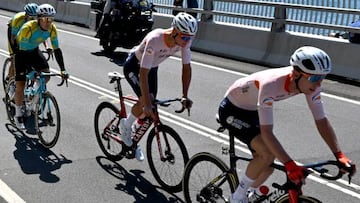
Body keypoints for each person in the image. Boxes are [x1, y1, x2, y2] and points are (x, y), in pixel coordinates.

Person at [217, 46, 356, 203]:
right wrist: (289, 164)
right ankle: (237, 198)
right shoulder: (270, 85)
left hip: (252, 109)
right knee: (267, 154)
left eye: (322, 78)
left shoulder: (309, 85)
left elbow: (321, 120)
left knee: (267, 166)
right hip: (232, 110)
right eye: (315, 79)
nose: (318, 85)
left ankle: (249, 192)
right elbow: (267, 133)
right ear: (296, 74)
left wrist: (339, 155)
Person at [120, 12, 198, 161]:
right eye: (185, 37)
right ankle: (126, 126)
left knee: (152, 104)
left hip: (152, 68)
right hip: (135, 66)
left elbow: (186, 68)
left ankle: (135, 137)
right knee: (146, 100)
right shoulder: (155, 39)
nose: (188, 41)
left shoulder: (183, 41)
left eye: (191, 38)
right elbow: (143, 73)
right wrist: (146, 103)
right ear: (174, 31)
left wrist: (184, 95)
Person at [14, 4, 69, 129]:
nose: (48, 22)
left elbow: (57, 50)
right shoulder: (28, 28)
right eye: (45, 19)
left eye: (51, 19)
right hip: (21, 51)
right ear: (38, 19)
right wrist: (31, 71)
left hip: (33, 50)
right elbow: (23, 53)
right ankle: (18, 115)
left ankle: (32, 95)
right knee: (21, 84)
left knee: (45, 75)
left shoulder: (52, 29)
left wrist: (63, 70)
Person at [6, 3, 38, 88]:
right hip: (14, 32)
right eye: (31, 17)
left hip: (25, 33)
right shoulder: (18, 19)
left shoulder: (37, 22)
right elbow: (13, 38)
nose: (33, 19)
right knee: (15, 57)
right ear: (26, 15)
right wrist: (16, 51)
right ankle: (10, 79)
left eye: (35, 17)